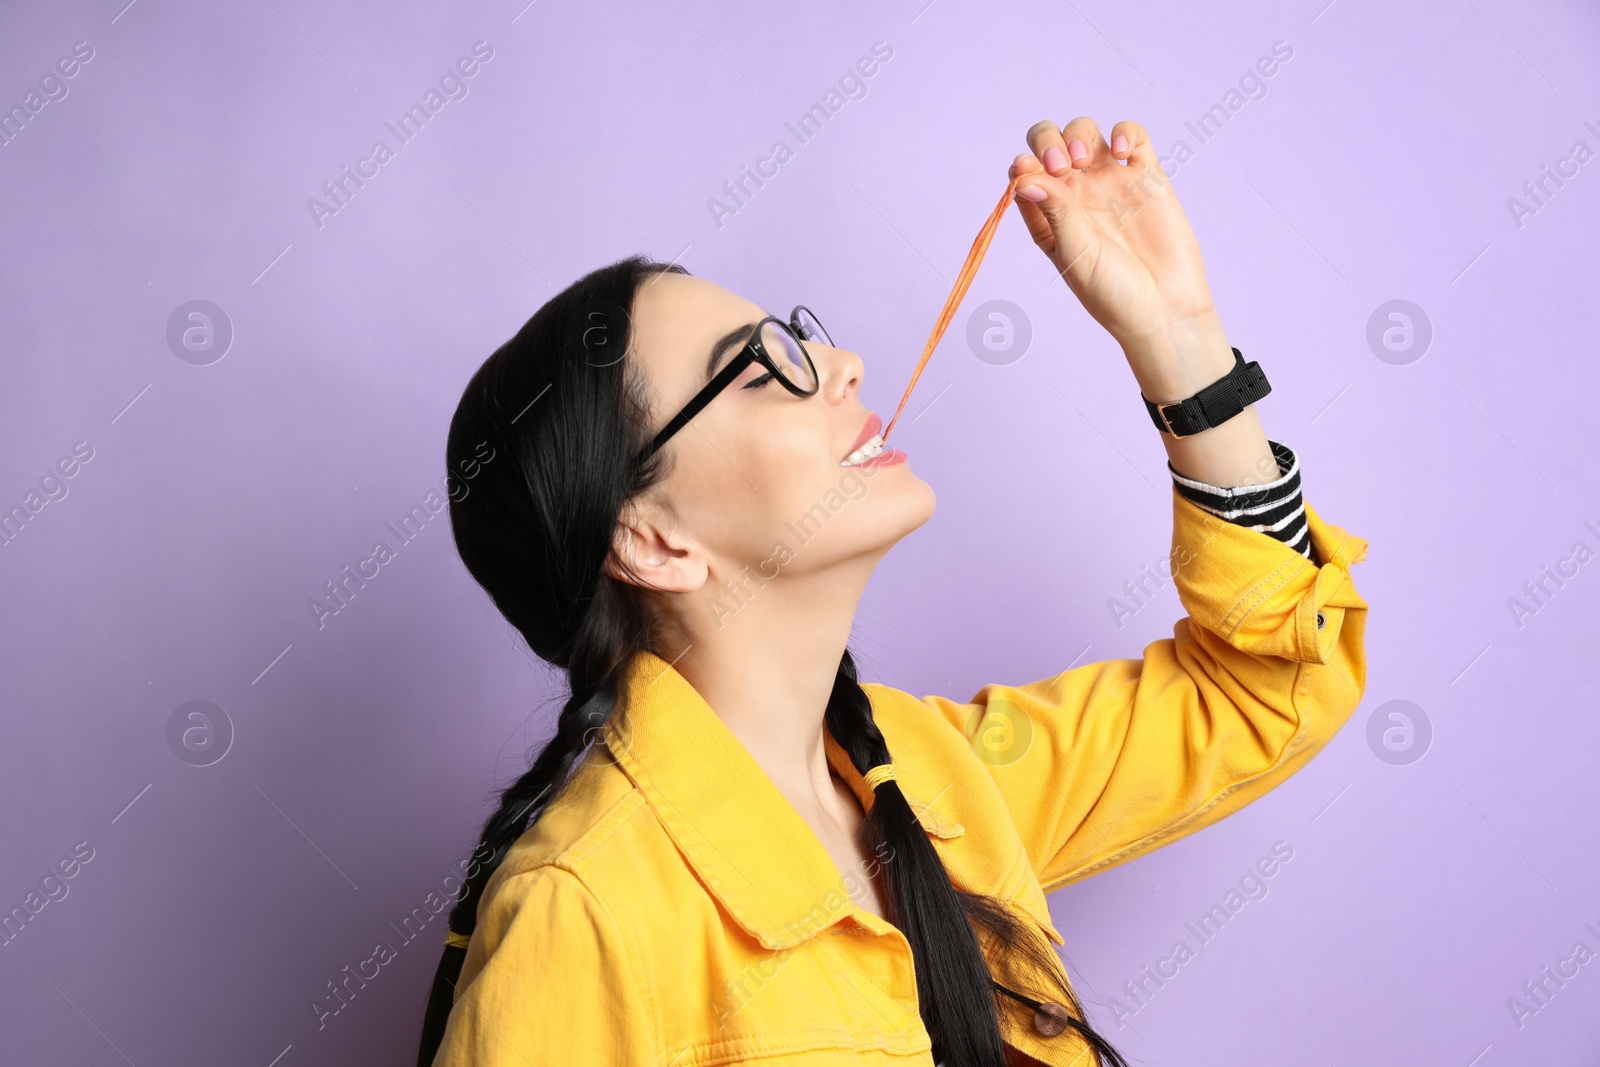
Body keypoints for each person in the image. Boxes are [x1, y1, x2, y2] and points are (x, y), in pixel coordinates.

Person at [416, 117, 1370, 1067]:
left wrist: (1180, 342)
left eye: (797, 338)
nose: (843, 365)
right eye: (758, 372)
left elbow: (1260, 691)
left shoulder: (940, 774)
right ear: (652, 538)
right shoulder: (581, 910)